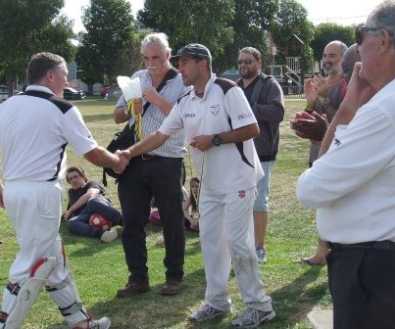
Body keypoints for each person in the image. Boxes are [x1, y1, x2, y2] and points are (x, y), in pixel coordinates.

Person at [115, 43, 275, 328]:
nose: (181, 68)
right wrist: (130, 152)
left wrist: (214, 139)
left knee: (238, 243)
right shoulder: (186, 99)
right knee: (210, 243)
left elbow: (252, 129)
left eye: (186, 62)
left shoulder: (227, 90)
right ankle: (217, 302)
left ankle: (260, 306)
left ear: (203, 64)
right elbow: (160, 136)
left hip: (239, 180)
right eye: (180, 62)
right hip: (210, 185)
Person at [0, 52, 128, 329]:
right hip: (41, 194)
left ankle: (79, 321)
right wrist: (118, 161)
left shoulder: (5, 107)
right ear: (50, 76)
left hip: (15, 192)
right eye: (65, 74)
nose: (68, 80)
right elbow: (91, 153)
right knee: (33, 264)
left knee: (54, 258)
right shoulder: (61, 107)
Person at [297, 1, 395, 327]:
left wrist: (348, 107)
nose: (355, 49)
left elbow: (311, 189)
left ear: (382, 39)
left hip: (371, 269)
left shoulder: (385, 109)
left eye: (361, 35)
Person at [114, 32, 191, 298]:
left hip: (167, 160)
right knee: (132, 222)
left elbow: (186, 118)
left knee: (172, 220)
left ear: (168, 55)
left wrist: (156, 99)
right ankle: (138, 278)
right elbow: (117, 116)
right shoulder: (137, 77)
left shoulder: (182, 81)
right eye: (147, 58)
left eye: (156, 57)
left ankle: (174, 276)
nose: (151, 63)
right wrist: (129, 107)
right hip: (135, 161)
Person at [291, 40, 348, 266]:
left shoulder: (347, 86)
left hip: (338, 154)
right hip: (318, 151)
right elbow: (311, 117)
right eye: (325, 55)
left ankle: (331, 250)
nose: (327, 60)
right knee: (323, 204)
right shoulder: (322, 85)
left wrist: (324, 97)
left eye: (332, 55)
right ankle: (322, 251)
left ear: (344, 59)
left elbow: (343, 122)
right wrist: (311, 103)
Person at [236, 47, 284, 263]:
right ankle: (241, 245)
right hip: (237, 152)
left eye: (248, 61)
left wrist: (250, 109)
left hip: (262, 152)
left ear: (258, 62)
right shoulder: (235, 87)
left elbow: (278, 112)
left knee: (259, 202)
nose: (244, 65)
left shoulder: (268, 84)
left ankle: (259, 247)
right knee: (238, 200)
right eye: (240, 62)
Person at [63, 166, 122, 243]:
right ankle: (103, 234)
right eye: (70, 179)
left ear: (83, 176)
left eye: (76, 176)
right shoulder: (71, 193)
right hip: (86, 216)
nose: (73, 180)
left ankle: (125, 221)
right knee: (71, 222)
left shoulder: (92, 183)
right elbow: (68, 212)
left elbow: (90, 194)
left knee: (92, 201)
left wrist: (70, 211)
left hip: (99, 208)